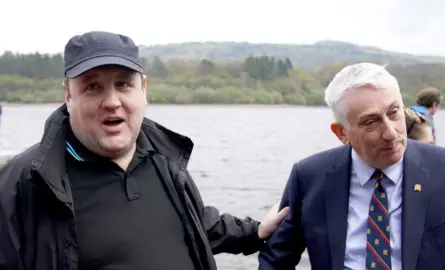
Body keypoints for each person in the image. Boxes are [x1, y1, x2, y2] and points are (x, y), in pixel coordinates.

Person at [0, 31, 289, 270]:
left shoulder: (164, 159)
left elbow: (193, 223)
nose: (111, 101)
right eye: (93, 87)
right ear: (68, 95)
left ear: (143, 90)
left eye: (123, 84)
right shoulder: (22, 183)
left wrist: (256, 231)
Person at [258, 63, 445, 269]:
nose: (391, 133)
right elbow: (276, 260)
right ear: (342, 133)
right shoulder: (309, 177)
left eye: (394, 113)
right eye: (371, 122)